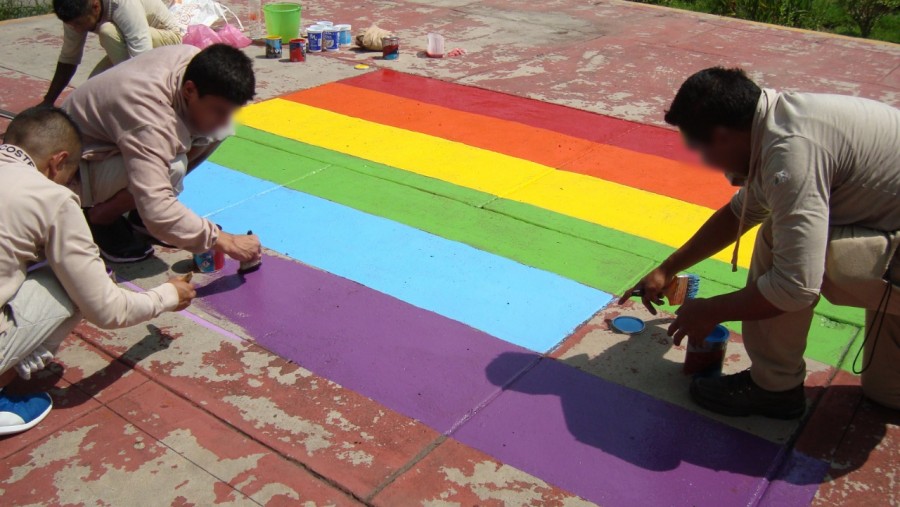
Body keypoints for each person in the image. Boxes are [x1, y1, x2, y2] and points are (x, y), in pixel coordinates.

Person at [622, 67, 900, 419]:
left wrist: (711, 310)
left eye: (698, 147)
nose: (703, 161)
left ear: (722, 136)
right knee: (888, 393)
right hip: (891, 235)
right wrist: (668, 268)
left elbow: (794, 286)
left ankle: (775, 388)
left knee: (782, 241)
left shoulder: (791, 154)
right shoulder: (776, 122)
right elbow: (741, 212)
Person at [0, 106, 196, 436]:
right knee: (71, 282)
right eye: (69, 175)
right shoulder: (53, 197)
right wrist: (167, 295)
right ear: (57, 162)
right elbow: (106, 309)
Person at [61, 43, 262, 264]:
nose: (225, 117)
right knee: (172, 169)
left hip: (115, 140)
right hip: (76, 167)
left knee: (219, 129)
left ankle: (137, 212)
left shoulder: (192, 60)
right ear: (189, 90)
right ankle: (101, 218)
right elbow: (157, 209)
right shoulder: (149, 115)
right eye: (219, 109)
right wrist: (227, 241)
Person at [41, 0, 181, 107]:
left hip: (167, 39)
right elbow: (69, 58)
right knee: (92, 90)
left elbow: (142, 55)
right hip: (129, 43)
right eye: (72, 25)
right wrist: (47, 102)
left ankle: (146, 102)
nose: (76, 30)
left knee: (107, 31)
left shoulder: (121, 4)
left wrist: (138, 101)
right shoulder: (74, 16)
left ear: (95, 7)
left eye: (78, 24)